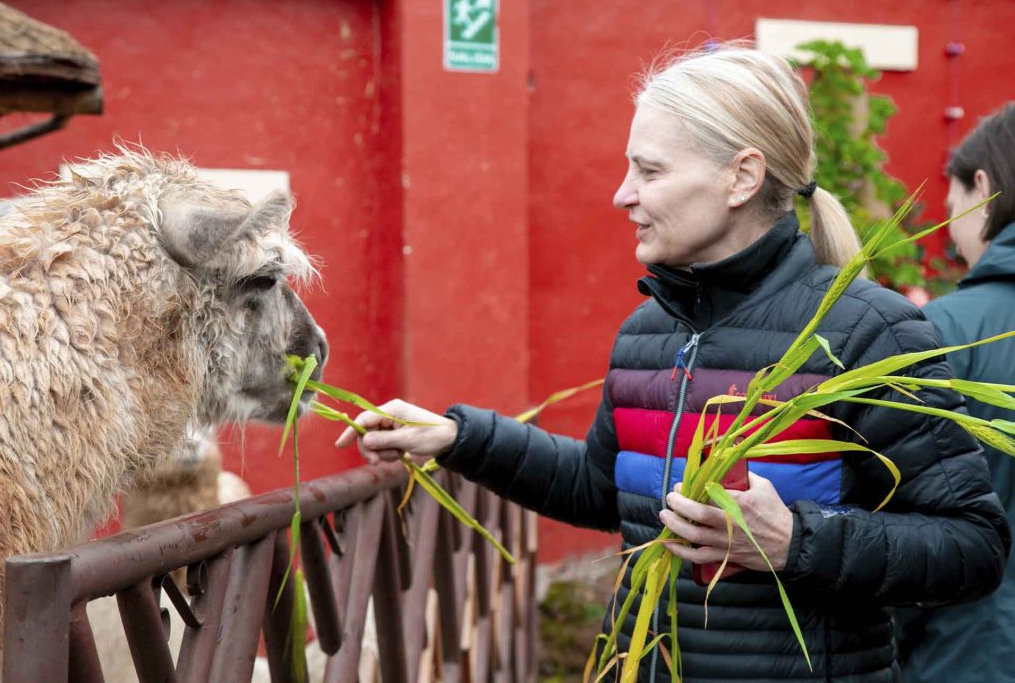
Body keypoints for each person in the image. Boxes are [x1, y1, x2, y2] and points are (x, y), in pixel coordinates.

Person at [336, 45, 1010, 682]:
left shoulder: (867, 333)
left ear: (741, 177)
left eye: (649, 171)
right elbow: (603, 491)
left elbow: (971, 546)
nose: (622, 195)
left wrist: (796, 541)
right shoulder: (648, 333)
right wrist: (459, 438)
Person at [898, 103, 1015, 683]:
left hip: (969, 651)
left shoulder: (942, 330)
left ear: (984, 187)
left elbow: (901, 520)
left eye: (951, 210)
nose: (950, 233)